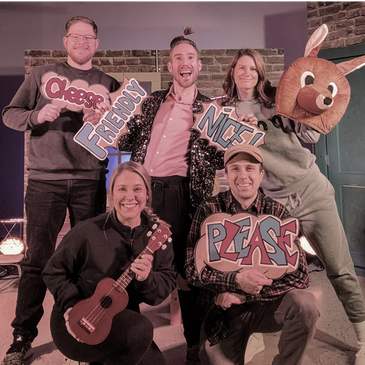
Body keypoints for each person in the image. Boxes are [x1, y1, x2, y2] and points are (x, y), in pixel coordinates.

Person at [221, 48, 365, 365]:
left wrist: (316, 110)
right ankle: (255, 333)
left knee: (339, 267)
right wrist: (239, 135)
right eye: (240, 67)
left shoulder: (278, 100)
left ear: (260, 74)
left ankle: (364, 336)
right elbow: (227, 160)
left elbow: (309, 130)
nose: (246, 72)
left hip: (311, 189)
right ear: (232, 72)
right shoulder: (222, 112)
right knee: (260, 271)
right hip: (272, 201)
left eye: (252, 68)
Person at [1, 16, 120, 365]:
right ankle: (22, 337)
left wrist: (105, 121)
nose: (83, 42)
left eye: (89, 37)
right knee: (36, 260)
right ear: (65, 41)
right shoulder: (39, 75)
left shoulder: (108, 82)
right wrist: (37, 116)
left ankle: (89, 332)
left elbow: (118, 133)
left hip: (89, 179)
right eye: (76, 36)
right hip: (44, 182)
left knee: (91, 261)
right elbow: (10, 114)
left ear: (96, 44)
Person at [118, 26, 217, 361]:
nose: (183, 62)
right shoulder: (151, 102)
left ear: (198, 65)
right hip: (140, 192)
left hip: (178, 195)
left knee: (185, 273)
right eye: (177, 58)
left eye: (190, 57)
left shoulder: (211, 112)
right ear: (171, 67)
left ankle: (192, 344)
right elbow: (126, 142)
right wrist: (107, 118)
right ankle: (132, 339)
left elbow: (221, 156)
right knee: (128, 262)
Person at [185, 144, 319, 365]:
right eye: (235, 168)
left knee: (305, 304)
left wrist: (245, 294)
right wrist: (235, 280)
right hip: (223, 313)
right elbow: (192, 270)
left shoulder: (277, 212)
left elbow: (301, 275)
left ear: (260, 174)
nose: (243, 175)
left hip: (266, 307)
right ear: (226, 174)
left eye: (250, 168)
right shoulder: (208, 209)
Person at [41, 161, 176, 365]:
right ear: (112, 194)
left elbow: (164, 285)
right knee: (142, 330)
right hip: (73, 318)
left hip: (122, 321)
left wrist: (147, 279)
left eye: (137, 189)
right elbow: (53, 271)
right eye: (122, 189)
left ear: (147, 194)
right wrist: (71, 305)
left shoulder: (157, 237)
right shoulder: (87, 230)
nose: (130, 197)